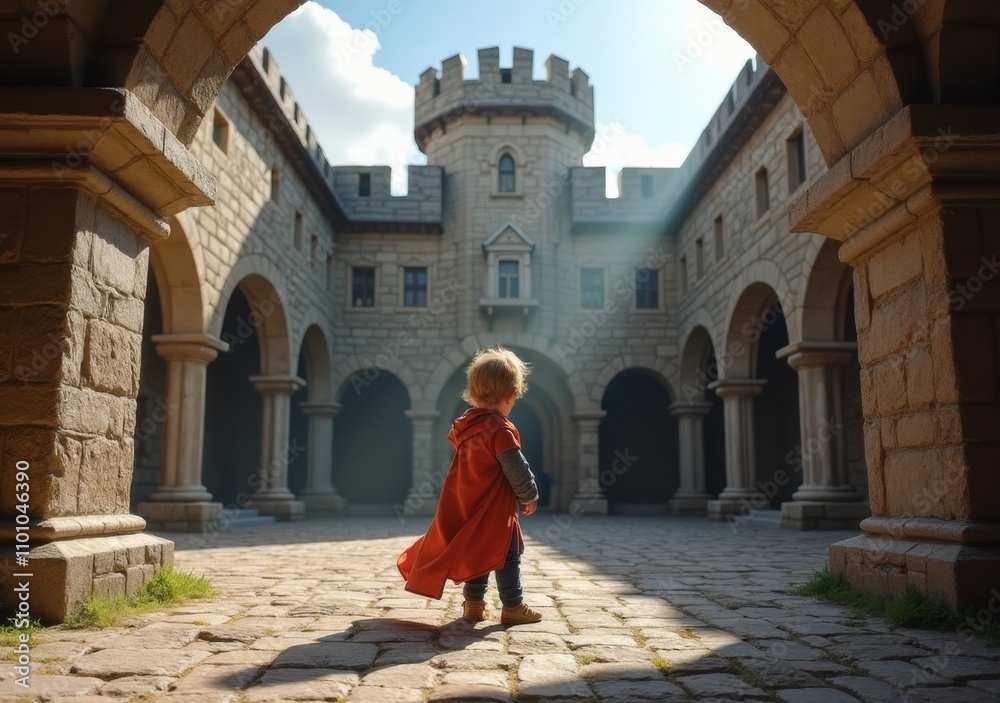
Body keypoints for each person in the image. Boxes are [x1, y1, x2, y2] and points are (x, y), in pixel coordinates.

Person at [397, 346, 542, 626]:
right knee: (509, 554)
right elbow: (516, 467)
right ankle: (513, 604)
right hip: (495, 511)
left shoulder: (467, 426)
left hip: (470, 505)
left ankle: (473, 604)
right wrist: (529, 494)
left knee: (478, 554)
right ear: (511, 394)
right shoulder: (501, 430)